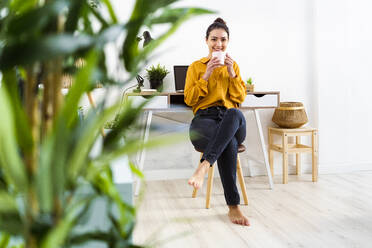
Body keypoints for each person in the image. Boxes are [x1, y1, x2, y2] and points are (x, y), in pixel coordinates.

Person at [184, 18, 250, 226]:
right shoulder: (196, 67)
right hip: (205, 120)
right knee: (228, 142)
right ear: (206, 41)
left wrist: (231, 73)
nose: (218, 44)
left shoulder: (234, 66)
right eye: (214, 39)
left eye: (223, 40)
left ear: (228, 42)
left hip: (230, 118)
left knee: (234, 114)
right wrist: (206, 75)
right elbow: (189, 99)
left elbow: (240, 98)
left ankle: (204, 166)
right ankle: (234, 207)